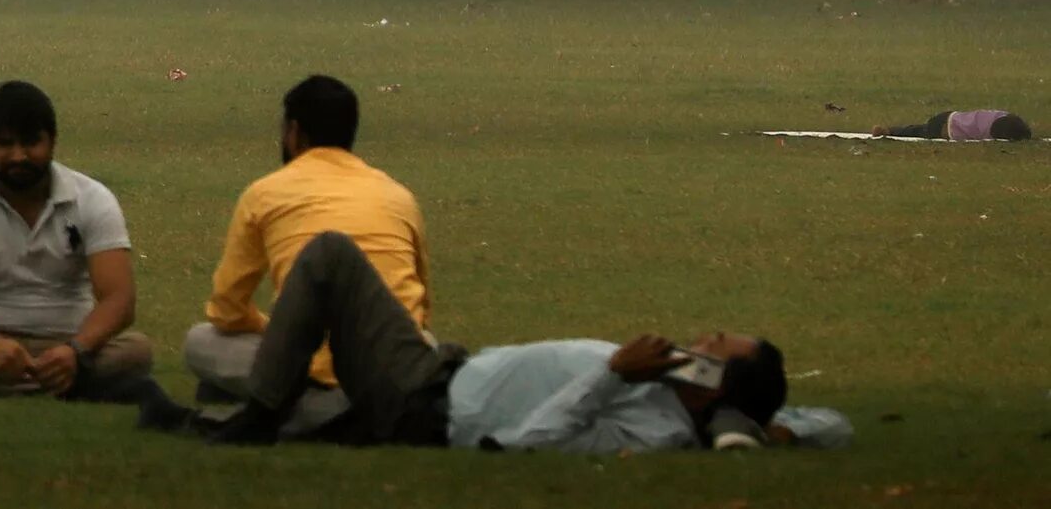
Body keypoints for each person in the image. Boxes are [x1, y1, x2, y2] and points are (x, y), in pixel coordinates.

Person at [158, 231, 845, 451]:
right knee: (229, 376)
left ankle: (253, 418)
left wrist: (613, 370)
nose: (700, 335)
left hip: (431, 402)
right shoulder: (677, 391)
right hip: (446, 363)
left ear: (711, 380)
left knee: (331, 257)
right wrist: (774, 429)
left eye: (714, 343)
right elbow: (832, 423)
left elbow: (520, 445)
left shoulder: (650, 425)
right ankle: (247, 406)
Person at [185, 76, 428, 433]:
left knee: (200, 342)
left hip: (308, 368)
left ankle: (301, 409)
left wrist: (283, 330)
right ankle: (329, 410)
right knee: (428, 345)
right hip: (391, 370)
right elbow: (419, 312)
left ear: (295, 132)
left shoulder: (265, 193)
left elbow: (227, 310)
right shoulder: (399, 196)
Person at [0, 80, 155, 401]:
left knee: (135, 351)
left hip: (69, 343)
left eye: (31, 143)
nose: (19, 156)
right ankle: (66, 389)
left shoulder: (93, 199)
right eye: (4, 144)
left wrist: (74, 351)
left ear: (52, 142)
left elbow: (119, 300)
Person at [880, 107, 1032, 140]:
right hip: (947, 125)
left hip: (948, 116)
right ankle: (889, 131)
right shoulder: (992, 130)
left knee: (919, 129)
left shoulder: (1004, 116)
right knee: (918, 131)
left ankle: (889, 130)